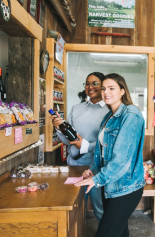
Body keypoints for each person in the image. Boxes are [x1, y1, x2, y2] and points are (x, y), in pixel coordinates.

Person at [75, 73, 145, 237]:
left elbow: (121, 159)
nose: (106, 92)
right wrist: (94, 170)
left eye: (112, 88)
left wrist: (97, 179)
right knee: (120, 233)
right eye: (104, 88)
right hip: (110, 185)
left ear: (122, 91)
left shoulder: (131, 114)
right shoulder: (108, 117)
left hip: (126, 187)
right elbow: (104, 153)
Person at [51, 72, 109, 223]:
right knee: (75, 209)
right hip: (74, 166)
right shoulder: (76, 108)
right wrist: (58, 128)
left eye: (95, 83)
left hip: (96, 169)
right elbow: (67, 140)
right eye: (87, 83)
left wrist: (86, 145)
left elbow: (108, 144)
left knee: (100, 209)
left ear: (102, 86)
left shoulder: (110, 111)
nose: (90, 87)